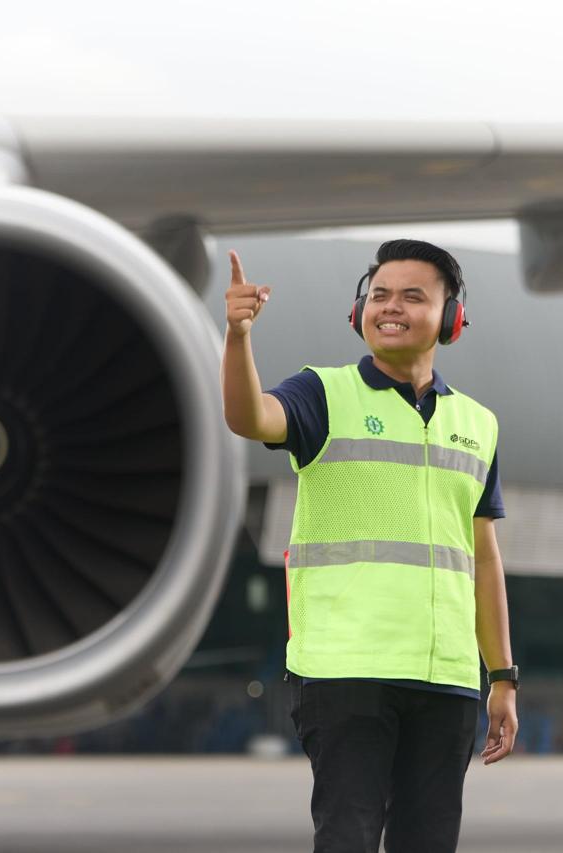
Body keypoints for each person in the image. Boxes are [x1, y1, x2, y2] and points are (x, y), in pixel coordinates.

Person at [221, 239, 518, 853]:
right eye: (379, 295)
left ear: (452, 316)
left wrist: (503, 677)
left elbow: (484, 558)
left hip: (446, 678)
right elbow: (250, 418)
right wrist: (238, 337)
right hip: (346, 672)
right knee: (347, 839)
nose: (391, 307)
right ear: (359, 312)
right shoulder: (322, 393)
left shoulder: (479, 424)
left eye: (412, 296)